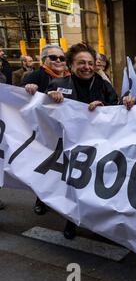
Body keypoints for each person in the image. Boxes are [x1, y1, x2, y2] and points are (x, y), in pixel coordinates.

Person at [47, 43, 119, 239]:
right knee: (73, 186)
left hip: (99, 146)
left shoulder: (104, 86)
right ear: (71, 65)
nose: (87, 67)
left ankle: (99, 223)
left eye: (90, 63)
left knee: (97, 185)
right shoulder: (57, 86)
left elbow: (117, 112)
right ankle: (71, 221)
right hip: (69, 147)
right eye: (81, 63)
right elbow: (41, 115)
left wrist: (104, 108)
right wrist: (49, 99)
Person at [21, 44, 71, 216]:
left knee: (65, 169)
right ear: (44, 61)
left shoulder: (72, 77)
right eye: (53, 58)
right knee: (45, 168)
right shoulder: (34, 76)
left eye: (62, 58)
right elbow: (19, 101)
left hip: (67, 132)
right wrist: (28, 89)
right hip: (45, 134)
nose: (58, 61)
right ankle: (41, 199)